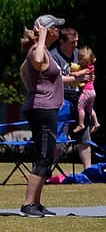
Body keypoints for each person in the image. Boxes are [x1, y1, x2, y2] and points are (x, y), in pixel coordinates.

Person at [17, 15, 68, 217]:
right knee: (44, 155)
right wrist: (42, 37)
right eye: (55, 27)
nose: (59, 31)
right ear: (45, 29)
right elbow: (37, 61)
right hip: (42, 109)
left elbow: (26, 72)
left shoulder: (43, 50)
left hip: (46, 108)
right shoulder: (37, 50)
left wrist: (76, 78)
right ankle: (28, 204)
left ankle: (36, 203)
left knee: (45, 155)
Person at [72, 46, 98, 169]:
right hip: (92, 92)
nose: (83, 64)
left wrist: (72, 74)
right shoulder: (91, 67)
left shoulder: (86, 69)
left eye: (85, 62)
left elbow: (78, 74)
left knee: (80, 107)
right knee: (89, 109)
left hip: (87, 92)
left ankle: (81, 124)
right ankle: (96, 122)